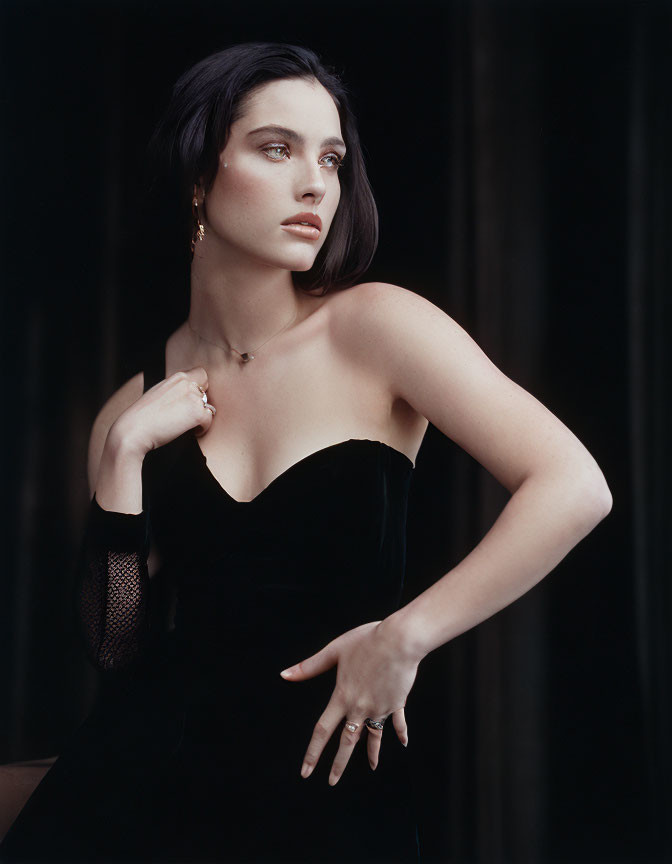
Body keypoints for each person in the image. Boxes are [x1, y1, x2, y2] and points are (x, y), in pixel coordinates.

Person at [0, 41, 612, 863]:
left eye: (330, 156)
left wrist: (404, 636)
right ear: (197, 178)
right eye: (276, 149)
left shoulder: (376, 326)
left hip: (329, 793)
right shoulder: (133, 405)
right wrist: (121, 457)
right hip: (147, 789)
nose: (316, 183)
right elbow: (120, 652)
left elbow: (574, 484)